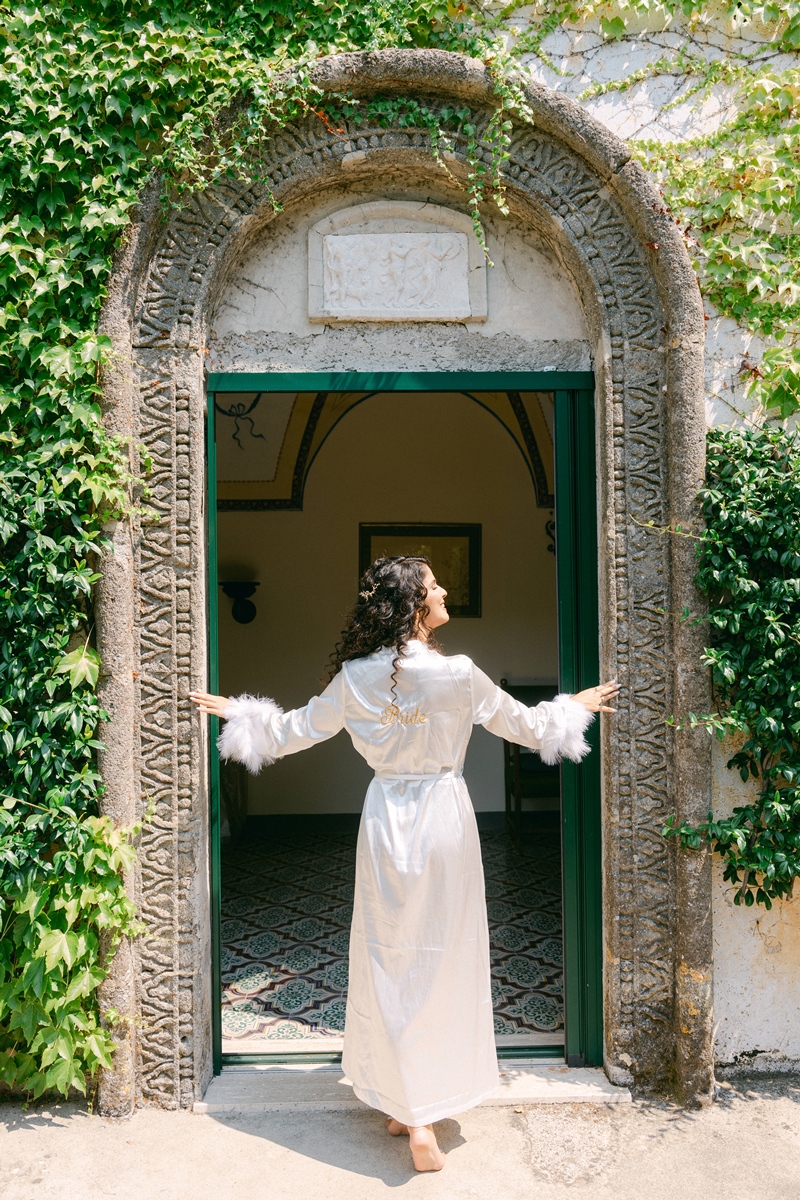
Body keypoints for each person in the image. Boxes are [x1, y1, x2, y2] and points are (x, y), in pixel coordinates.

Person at [190, 556, 618, 1172]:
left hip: (387, 819)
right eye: (434, 584)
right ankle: (421, 1117)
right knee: (442, 959)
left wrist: (239, 714)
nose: (444, 590)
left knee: (391, 956)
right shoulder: (460, 675)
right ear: (416, 602)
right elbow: (529, 727)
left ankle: (403, 1101)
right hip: (444, 816)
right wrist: (572, 704)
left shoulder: (356, 678)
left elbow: (290, 731)